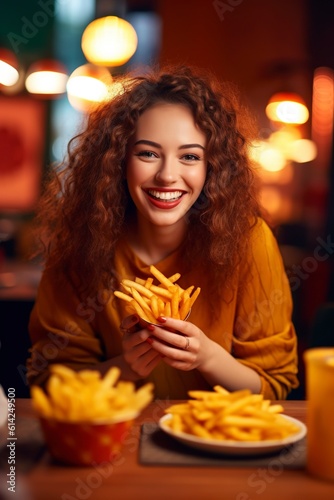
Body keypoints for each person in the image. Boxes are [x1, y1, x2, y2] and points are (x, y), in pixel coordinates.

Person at [26, 66, 299, 400]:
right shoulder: (79, 243)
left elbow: (275, 386)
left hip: (219, 445)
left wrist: (207, 357)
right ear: (119, 160)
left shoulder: (250, 241)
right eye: (148, 153)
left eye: (189, 156)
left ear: (210, 167)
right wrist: (127, 367)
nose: (168, 175)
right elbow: (48, 382)